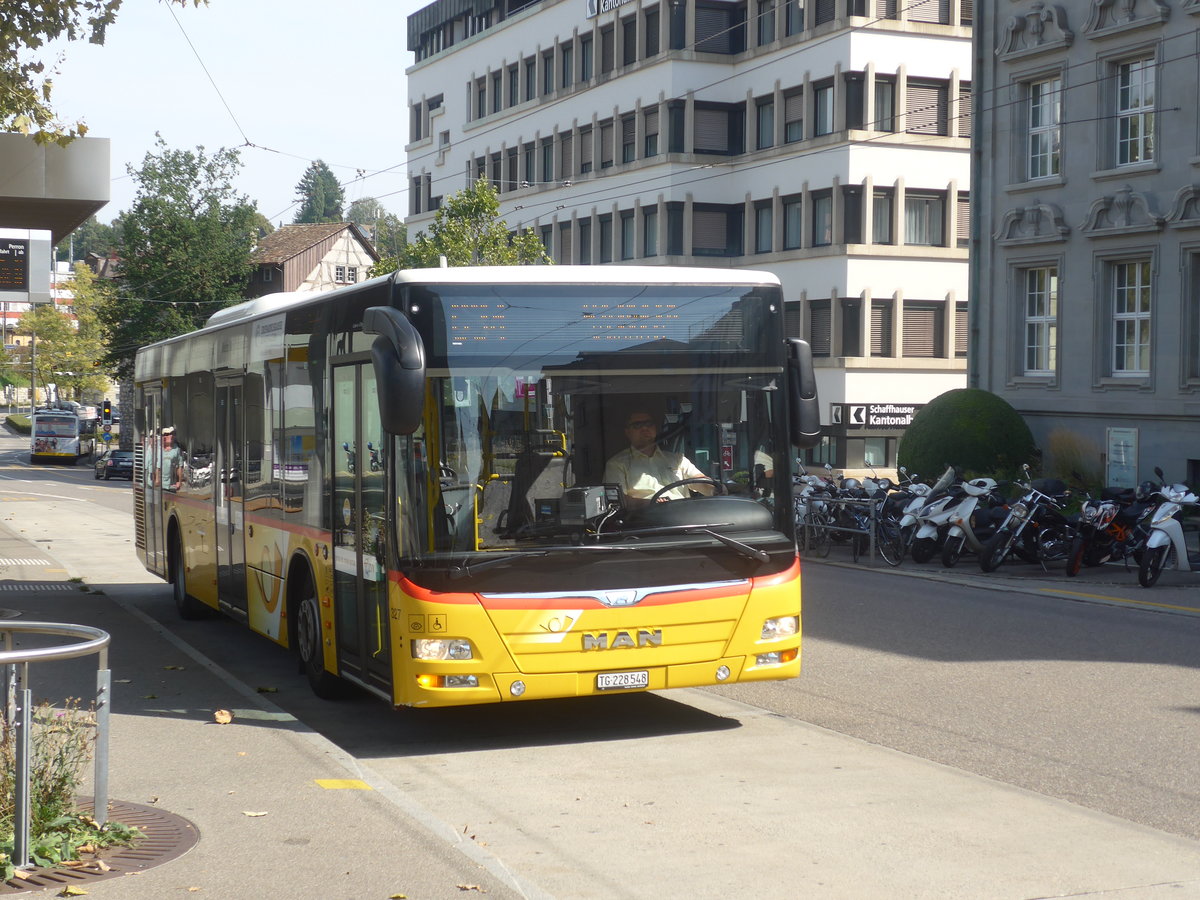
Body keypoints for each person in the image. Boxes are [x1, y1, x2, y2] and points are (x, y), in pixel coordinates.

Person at [603, 410, 714, 507]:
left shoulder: (677, 459)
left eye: (649, 424)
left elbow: (699, 479)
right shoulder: (616, 464)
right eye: (637, 425)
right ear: (627, 432)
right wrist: (652, 503)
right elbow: (619, 501)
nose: (644, 428)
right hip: (645, 524)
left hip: (684, 518)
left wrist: (714, 488)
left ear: (655, 428)